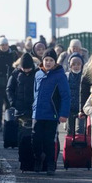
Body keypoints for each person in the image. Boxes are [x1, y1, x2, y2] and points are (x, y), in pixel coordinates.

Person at [31, 48, 70, 176]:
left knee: (49, 141)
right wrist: (33, 107)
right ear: (43, 61)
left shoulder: (60, 75)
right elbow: (35, 93)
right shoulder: (38, 74)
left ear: (55, 62)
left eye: (51, 60)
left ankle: (50, 164)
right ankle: (38, 158)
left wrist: (63, 114)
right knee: (35, 139)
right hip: (37, 114)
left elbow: (65, 96)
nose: (48, 62)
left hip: (52, 114)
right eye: (46, 60)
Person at [65, 52, 85, 135]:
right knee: (70, 129)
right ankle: (70, 145)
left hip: (82, 106)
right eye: (73, 64)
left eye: (78, 64)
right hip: (70, 106)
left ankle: (80, 146)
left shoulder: (84, 76)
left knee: (81, 129)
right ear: (70, 65)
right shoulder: (67, 76)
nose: (76, 66)